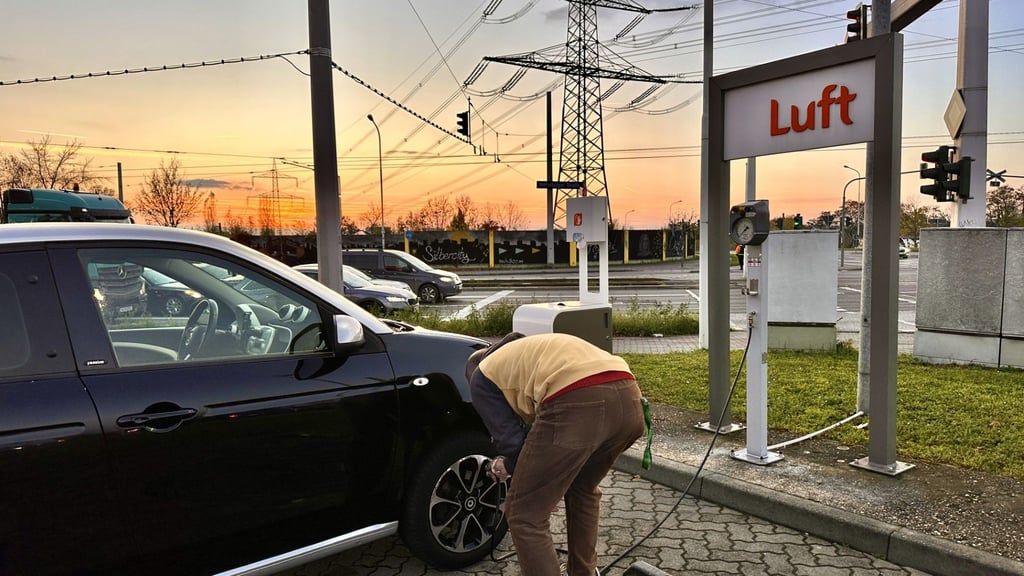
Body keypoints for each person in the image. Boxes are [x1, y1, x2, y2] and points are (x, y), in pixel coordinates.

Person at [465, 332, 645, 576]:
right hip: (630, 402)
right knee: (582, 489)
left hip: (578, 402)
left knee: (524, 513)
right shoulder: (533, 351)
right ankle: (584, 572)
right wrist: (540, 477)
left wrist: (513, 470)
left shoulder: (481, 376)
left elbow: (514, 444)